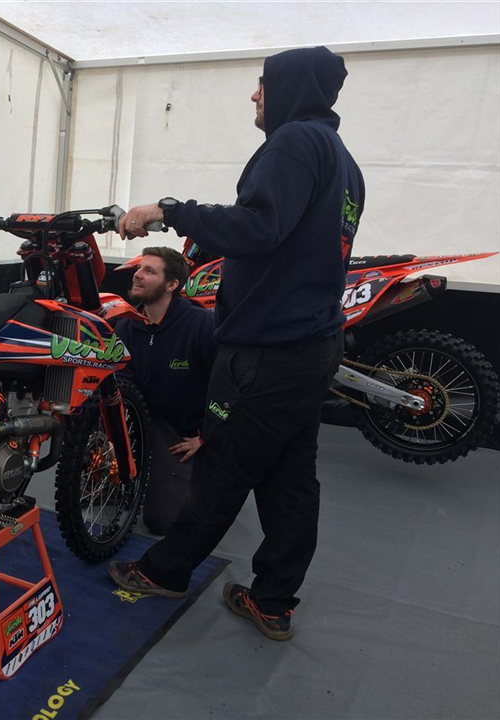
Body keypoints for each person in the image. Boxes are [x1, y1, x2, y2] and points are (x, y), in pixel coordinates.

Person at [109, 46, 365, 642]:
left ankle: (164, 571)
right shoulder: (343, 159)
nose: (254, 95)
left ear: (291, 89)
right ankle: (272, 600)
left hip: (267, 350)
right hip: (312, 345)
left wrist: (171, 211)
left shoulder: (293, 142)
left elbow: (258, 226)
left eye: (262, 86)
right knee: (291, 479)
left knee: (223, 467)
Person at [115, 247, 217, 535]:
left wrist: (207, 436)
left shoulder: (201, 324)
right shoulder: (126, 324)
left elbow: (231, 385)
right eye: (139, 268)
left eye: (149, 271)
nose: (137, 275)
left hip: (186, 432)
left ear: (172, 284)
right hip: (146, 422)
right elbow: (122, 385)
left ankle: (207, 474)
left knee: (164, 521)